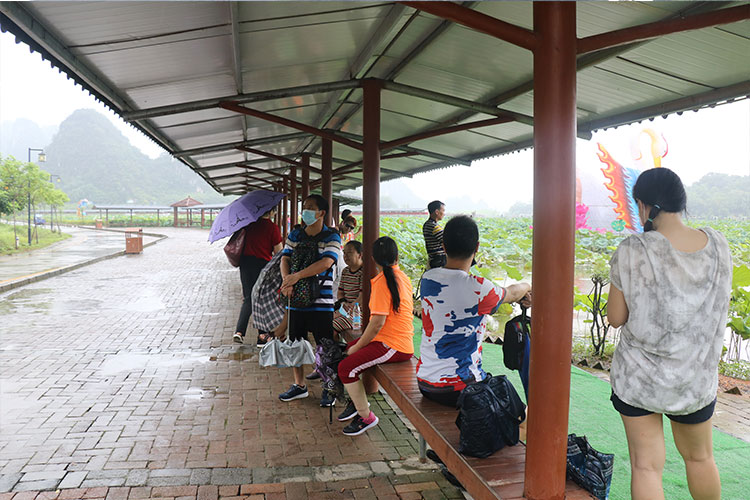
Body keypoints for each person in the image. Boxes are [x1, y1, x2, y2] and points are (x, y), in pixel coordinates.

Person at [607, 167, 732, 500]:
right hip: (694, 380)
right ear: (681, 202)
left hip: (640, 380)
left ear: (643, 205)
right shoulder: (719, 244)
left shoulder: (632, 249)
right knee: (700, 458)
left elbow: (616, 318)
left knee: (646, 467)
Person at [417, 215, 531, 408]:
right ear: (476, 247)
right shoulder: (479, 288)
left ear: (443, 246)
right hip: (461, 389)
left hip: (426, 384)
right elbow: (512, 293)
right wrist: (528, 286)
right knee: (520, 412)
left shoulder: (428, 279)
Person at [336, 236, 414, 436]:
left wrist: (358, 347)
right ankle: (357, 402)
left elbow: (377, 323)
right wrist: (355, 347)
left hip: (394, 345)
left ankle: (366, 417)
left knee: (345, 368)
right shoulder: (402, 277)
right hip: (388, 341)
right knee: (345, 350)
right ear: (397, 257)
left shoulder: (381, 282)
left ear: (372, 258)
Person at [278, 194, 342, 407]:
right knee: (295, 343)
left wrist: (296, 277)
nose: (305, 210)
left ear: (321, 212)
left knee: (325, 346)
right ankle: (299, 385)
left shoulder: (332, 237)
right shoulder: (295, 234)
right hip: (295, 299)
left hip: (321, 301)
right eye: (304, 206)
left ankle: (329, 388)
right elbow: (285, 258)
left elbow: (326, 262)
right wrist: (287, 281)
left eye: (310, 207)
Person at [233, 207, 283, 346]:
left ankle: (239, 331)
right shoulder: (272, 228)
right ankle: (262, 337)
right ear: (271, 212)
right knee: (261, 299)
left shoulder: (248, 224)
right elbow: (279, 252)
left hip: (245, 264)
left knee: (248, 298)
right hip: (263, 266)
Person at [332, 241, 364, 343]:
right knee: (324, 319)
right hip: (346, 309)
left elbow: (362, 297)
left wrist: (347, 310)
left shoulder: (364, 272)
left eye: (349, 253)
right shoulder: (345, 271)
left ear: (360, 254)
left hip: (359, 313)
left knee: (331, 327)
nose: (345, 256)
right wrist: (343, 304)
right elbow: (340, 292)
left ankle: (337, 350)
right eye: (344, 253)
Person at [423, 200, 446, 269]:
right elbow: (447, 240)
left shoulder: (428, 224)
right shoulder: (433, 226)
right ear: (437, 212)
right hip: (438, 261)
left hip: (434, 260)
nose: (444, 213)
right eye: (443, 211)